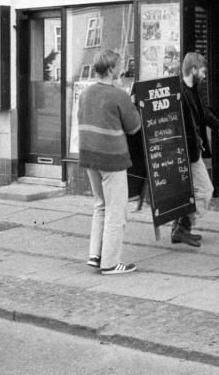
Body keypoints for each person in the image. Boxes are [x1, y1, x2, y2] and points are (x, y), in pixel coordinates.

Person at [78, 50, 142, 275]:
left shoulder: (85, 93)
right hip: (112, 158)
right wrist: (134, 107)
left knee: (100, 206)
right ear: (112, 69)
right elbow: (134, 127)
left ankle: (95, 255)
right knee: (116, 211)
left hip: (89, 156)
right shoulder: (119, 95)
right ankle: (111, 263)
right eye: (120, 65)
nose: (122, 68)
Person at [171, 52, 219, 247]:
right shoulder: (178, 92)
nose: (204, 76)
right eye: (203, 71)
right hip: (184, 152)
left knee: (193, 190)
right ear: (193, 70)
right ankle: (182, 227)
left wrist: (218, 126)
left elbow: (203, 113)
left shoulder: (194, 89)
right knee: (205, 190)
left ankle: (180, 227)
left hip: (192, 151)